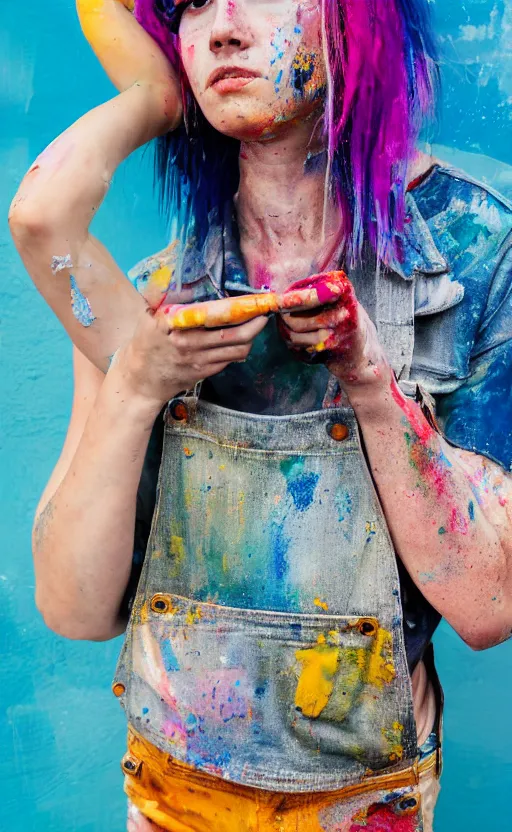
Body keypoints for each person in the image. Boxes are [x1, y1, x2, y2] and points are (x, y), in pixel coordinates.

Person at [8, 0, 512, 829]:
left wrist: (371, 385)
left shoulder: (472, 256)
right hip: (168, 799)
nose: (223, 27)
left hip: (365, 805)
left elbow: (490, 608)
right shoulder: (151, 299)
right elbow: (73, 608)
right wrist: (135, 388)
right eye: (191, 4)